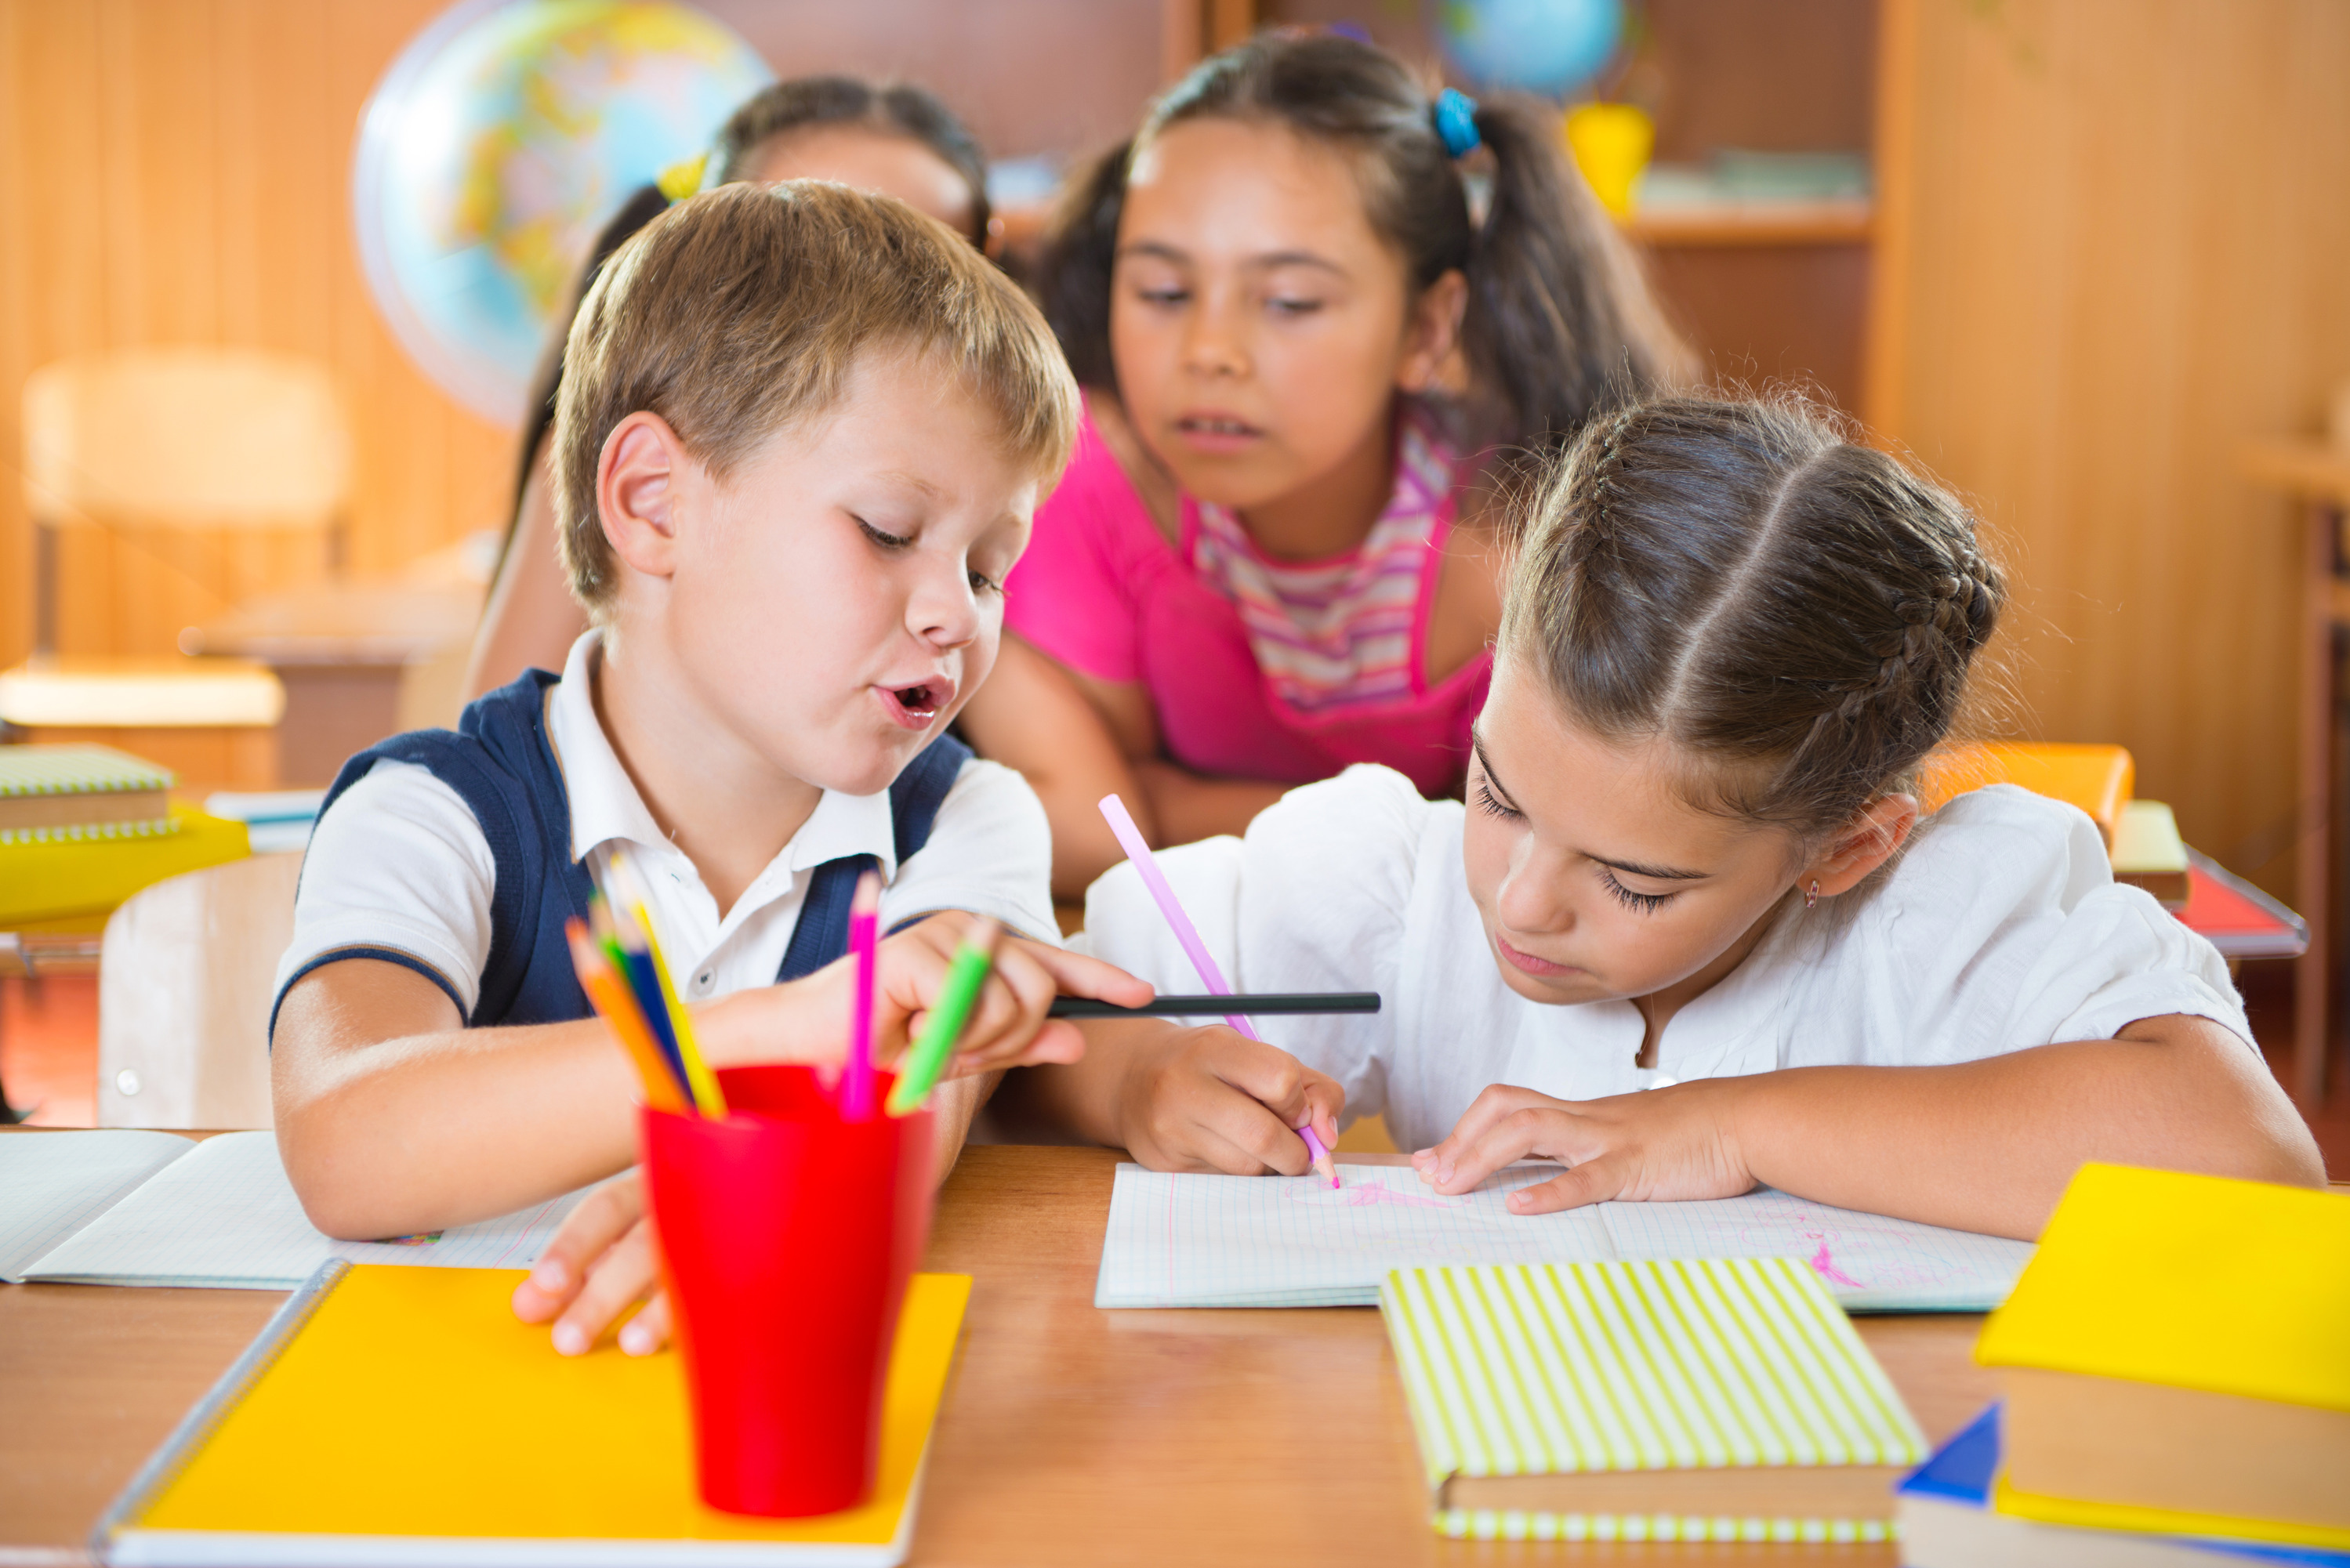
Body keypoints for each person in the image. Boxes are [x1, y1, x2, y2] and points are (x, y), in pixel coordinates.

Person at [1009, 394, 2324, 1237]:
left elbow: (2247, 1160)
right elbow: (1042, 1038)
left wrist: (1727, 1125)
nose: (1519, 901)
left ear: (1841, 846)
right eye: (1495, 793)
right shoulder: (1382, 887)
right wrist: (1137, 1085)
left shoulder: (1935, 921)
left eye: (1636, 883)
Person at [272, 183, 1151, 1353]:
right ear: (652, 503)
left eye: (991, 569)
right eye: (890, 530)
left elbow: (910, 1124)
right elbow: (345, 1137)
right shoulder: (434, 809)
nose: (955, 613)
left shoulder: (967, 821)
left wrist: (751, 1156)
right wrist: (768, 1036)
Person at [957, 31, 1687, 899]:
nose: (1210, 351)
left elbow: (1590, 844)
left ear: (1425, 329)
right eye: (1162, 291)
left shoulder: (1528, 540)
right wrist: (1430, 830)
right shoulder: (1069, 479)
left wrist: (1190, 804)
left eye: (1290, 301)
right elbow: (1107, 822)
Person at [463, 76, 999, 701]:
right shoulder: (639, 459)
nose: (865, 313)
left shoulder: (1001, 489)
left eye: (927, 282)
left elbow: (1087, 792)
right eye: (803, 265)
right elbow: (495, 746)